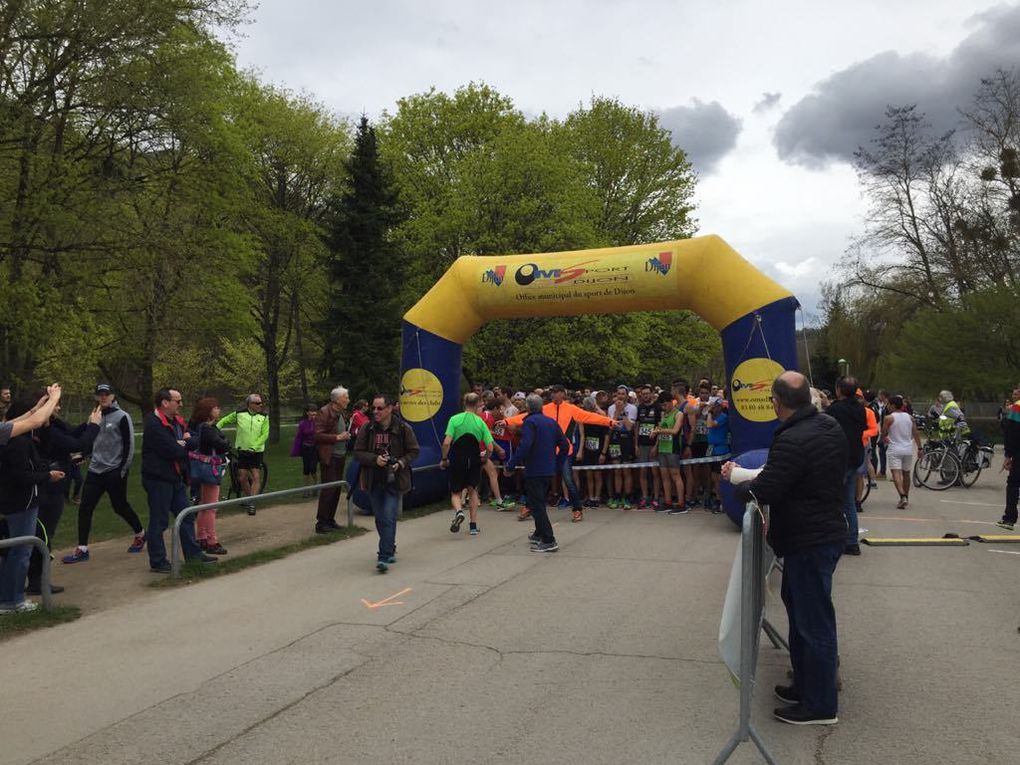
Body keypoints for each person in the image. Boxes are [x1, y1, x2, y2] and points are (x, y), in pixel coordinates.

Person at [721, 371, 847, 726]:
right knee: (804, 617)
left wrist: (741, 489)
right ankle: (808, 687)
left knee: (813, 624)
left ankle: (821, 705)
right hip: (820, 533)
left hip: (809, 539)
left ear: (776, 402)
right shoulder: (828, 427)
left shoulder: (794, 438)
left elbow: (771, 485)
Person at [503, 383, 614, 523]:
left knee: (568, 481)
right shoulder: (544, 408)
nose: (553, 395)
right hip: (547, 451)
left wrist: (610, 422)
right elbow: (525, 416)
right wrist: (507, 422)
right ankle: (529, 507)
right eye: (552, 393)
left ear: (563, 393)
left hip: (564, 451)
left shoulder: (571, 409)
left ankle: (577, 509)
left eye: (556, 392)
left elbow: (590, 417)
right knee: (540, 482)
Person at [62, 383, 145, 564]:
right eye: (100, 394)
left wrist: (122, 470)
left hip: (114, 470)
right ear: (96, 397)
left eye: (107, 394)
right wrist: (82, 454)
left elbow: (130, 446)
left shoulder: (122, 417)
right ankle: (82, 548)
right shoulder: (94, 416)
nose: (103, 397)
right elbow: (90, 439)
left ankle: (140, 533)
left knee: (119, 506)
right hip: (95, 470)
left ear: (113, 396)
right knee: (85, 507)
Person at [0, 395, 67, 614]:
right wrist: (52, 398)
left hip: (18, 500)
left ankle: (9, 598)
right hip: (20, 502)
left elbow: (28, 419)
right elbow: (36, 421)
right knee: (21, 552)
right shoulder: (16, 442)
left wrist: (39, 406)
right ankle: (13, 600)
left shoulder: (12, 434)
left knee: (15, 551)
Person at [27, 398, 101, 595]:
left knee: (42, 533)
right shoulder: (45, 429)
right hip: (48, 487)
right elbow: (76, 443)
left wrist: (88, 422)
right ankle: (36, 581)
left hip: (55, 486)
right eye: (55, 404)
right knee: (43, 534)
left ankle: (36, 578)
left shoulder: (53, 425)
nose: (58, 407)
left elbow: (71, 433)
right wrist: (94, 426)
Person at [142, 388, 216, 573]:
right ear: (165, 402)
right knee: (159, 521)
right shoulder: (153, 423)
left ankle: (193, 554)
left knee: (186, 516)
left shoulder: (178, 422)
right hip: (158, 479)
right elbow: (172, 450)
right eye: (178, 400)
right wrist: (181, 444)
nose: (181, 404)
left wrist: (184, 443)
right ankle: (158, 561)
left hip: (176, 477)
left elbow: (195, 441)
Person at [353, 394, 420, 573]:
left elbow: (414, 451)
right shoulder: (367, 429)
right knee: (380, 518)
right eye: (373, 408)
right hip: (374, 479)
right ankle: (389, 546)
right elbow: (358, 452)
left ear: (390, 408)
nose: (375, 411)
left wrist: (401, 462)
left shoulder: (403, 428)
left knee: (389, 516)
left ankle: (383, 556)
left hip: (394, 480)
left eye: (379, 408)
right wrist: (375, 459)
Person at [504, 394, 569, 553]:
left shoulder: (530, 422)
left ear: (527, 407)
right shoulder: (551, 422)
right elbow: (564, 445)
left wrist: (511, 465)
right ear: (541, 407)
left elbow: (525, 446)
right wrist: (558, 463)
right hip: (548, 469)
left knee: (537, 505)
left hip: (535, 469)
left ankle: (549, 539)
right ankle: (539, 533)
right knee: (536, 502)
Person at [441, 393, 493, 536]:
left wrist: (444, 458)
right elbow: (490, 447)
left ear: (464, 402)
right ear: (478, 404)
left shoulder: (454, 419)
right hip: (474, 459)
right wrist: (485, 458)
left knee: (456, 492)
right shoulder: (480, 422)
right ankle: (473, 526)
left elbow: (446, 443)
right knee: (473, 490)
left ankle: (459, 511)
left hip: (457, 458)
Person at [826, 378, 867, 556]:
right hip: (855, 457)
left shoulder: (835, 409)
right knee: (848, 501)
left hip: (839, 459)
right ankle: (852, 540)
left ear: (839, 390)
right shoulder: (860, 408)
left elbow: (826, 422)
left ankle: (832, 537)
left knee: (832, 500)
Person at [187, 397, 230, 555]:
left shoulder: (206, 428)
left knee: (204, 505)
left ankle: (202, 536)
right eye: (216, 408)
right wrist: (225, 442)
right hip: (210, 470)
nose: (218, 410)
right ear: (208, 411)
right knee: (211, 507)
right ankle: (212, 541)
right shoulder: (208, 429)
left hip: (203, 469)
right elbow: (223, 444)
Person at [216, 393, 269, 515]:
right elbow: (224, 420)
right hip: (242, 450)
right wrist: (214, 429)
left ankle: (252, 503)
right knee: (242, 477)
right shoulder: (239, 414)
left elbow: (265, 434)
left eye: (261, 402)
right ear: (249, 404)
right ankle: (249, 498)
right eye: (257, 403)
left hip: (257, 451)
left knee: (256, 475)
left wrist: (254, 447)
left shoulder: (264, 416)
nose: (260, 405)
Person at [313, 387, 351, 534]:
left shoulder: (341, 413)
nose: (348, 400)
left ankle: (330, 519)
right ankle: (321, 523)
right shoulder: (324, 412)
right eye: (345, 397)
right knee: (329, 489)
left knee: (336, 489)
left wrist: (345, 436)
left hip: (340, 455)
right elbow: (317, 435)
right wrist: (337, 438)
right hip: (330, 457)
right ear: (336, 400)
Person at [881, 395, 922, 509]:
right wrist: (919, 448)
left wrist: (884, 437)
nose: (887, 406)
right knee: (906, 473)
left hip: (894, 448)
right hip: (908, 448)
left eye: (888, 404)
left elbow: (884, 432)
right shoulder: (910, 417)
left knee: (896, 473)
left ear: (893, 405)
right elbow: (916, 433)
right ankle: (906, 497)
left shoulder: (889, 418)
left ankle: (902, 495)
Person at [633, 385, 662, 509]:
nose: (645, 396)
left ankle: (655, 497)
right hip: (642, 444)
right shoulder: (639, 408)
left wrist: (656, 446)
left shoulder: (657, 407)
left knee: (655, 472)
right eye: (643, 394)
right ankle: (645, 497)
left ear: (651, 394)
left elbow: (660, 427)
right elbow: (637, 427)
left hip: (653, 445)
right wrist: (636, 445)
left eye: (647, 393)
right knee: (643, 472)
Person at [577, 398, 609, 507]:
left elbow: (606, 436)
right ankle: (591, 497)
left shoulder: (601, 416)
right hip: (588, 448)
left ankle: (597, 497)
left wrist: (603, 453)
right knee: (589, 474)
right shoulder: (584, 416)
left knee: (597, 475)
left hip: (598, 449)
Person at [997, 383, 1020, 531]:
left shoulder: (1017, 407)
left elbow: (1012, 432)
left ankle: (1009, 518)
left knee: (1013, 484)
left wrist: (1008, 455)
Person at [704, 396, 730, 513]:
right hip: (712, 449)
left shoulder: (723, 417)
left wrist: (709, 412)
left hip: (721, 450)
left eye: (713, 406)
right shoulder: (712, 417)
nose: (711, 408)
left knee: (720, 477)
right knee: (714, 477)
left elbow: (710, 425)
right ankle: (718, 499)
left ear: (718, 407)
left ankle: (723, 501)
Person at [290, 404, 319, 497]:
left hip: (315, 448)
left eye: (315, 413)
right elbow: (298, 437)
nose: (314, 415)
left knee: (313, 468)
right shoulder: (302, 423)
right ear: (307, 413)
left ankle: (316, 485)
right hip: (305, 448)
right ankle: (306, 490)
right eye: (312, 413)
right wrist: (295, 450)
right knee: (306, 469)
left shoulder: (318, 423)